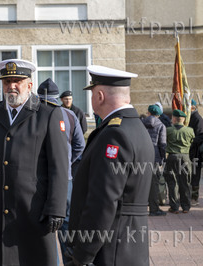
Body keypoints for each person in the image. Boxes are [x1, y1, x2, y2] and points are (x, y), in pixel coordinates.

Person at [0, 59, 69, 265]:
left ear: (30, 85)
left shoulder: (48, 113)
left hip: (34, 210)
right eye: (7, 81)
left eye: (18, 81)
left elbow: (59, 166)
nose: (12, 86)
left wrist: (56, 208)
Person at [65, 65, 155, 266]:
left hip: (110, 249)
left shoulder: (115, 134)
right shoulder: (135, 128)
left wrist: (82, 255)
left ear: (100, 96)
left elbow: (103, 201)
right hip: (128, 246)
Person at [37, 78, 85, 265]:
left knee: (45, 227)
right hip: (66, 180)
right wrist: (65, 163)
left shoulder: (35, 115)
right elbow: (80, 146)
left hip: (41, 179)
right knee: (66, 225)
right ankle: (69, 261)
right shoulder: (70, 115)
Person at [164, 109, 195, 214]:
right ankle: (186, 207)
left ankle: (174, 207)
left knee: (172, 182)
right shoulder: (190, 130)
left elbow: (164, 142)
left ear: (174, 118)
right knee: (185, 182)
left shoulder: (168, 130)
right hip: (185, 157)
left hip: (172, 157)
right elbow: (192, 142)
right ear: (183, 119)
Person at [142, 105, 167, 216]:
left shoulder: (141, 123)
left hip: (142, 156)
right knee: (154, 184)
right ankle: (154, 209)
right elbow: (162, 144)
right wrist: (163, 159)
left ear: (148, 112)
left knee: (141, 183)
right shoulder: (161, 125)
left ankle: (140, 208)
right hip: (154, 157)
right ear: (158, 114)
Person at [188, 99, 203, 206]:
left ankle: (194, 198)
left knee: (195, 176)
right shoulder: (189, 117)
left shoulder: (197, 118)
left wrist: (189, 141)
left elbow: (200, 136)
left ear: (192, 107)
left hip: (196, 154)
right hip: (190, 152)